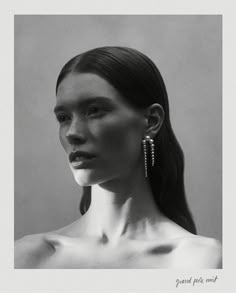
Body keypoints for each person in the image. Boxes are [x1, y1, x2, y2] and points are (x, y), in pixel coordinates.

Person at [15, 46, 222, 269]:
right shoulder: (26, 258)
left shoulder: (202, 262)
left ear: (151, 121)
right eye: (64, 117)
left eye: (94, 110)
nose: (72, 132)